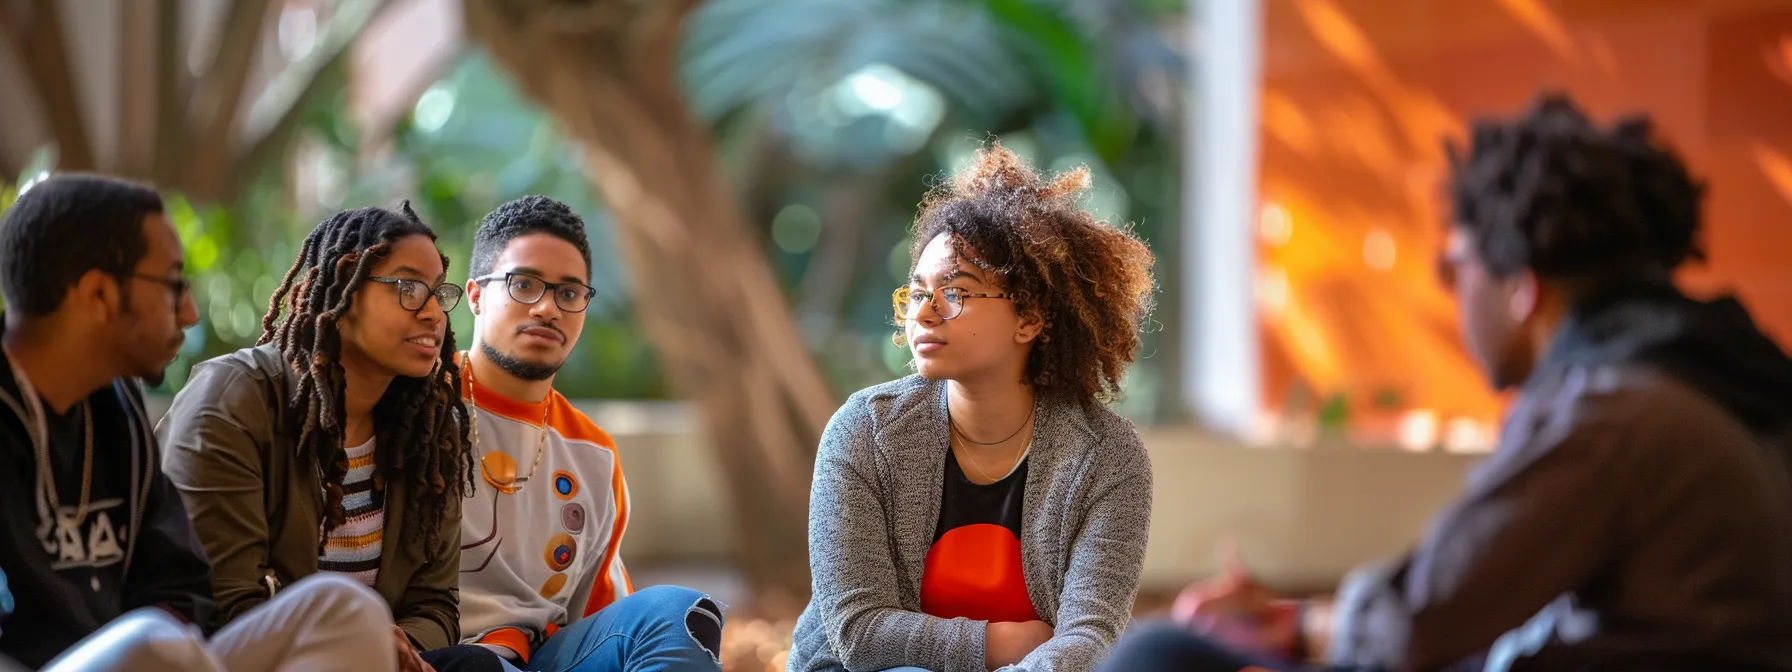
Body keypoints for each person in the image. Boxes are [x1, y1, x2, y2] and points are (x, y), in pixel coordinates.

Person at [1099, 95, 1792, 671]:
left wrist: (1297, 626)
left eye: (1455, 266)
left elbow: (1417, 626)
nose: (1452, 291)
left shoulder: (1613, 414)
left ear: (1523, 289)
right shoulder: (1713, 376)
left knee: (1157, 656)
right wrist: (1308, 622)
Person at [0, 174, 401, 672]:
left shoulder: (115, 404)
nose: (189, 312)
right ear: (99, 294)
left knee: (343, 608)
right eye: (172, 284)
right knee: (150, 643)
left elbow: (180, 585)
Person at [786, 143, 1158, 672]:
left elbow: (1091, 635)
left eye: (956, 292)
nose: (926, 312)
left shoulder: (1107, 456)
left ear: (1029, 320)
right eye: (917, 294)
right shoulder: (865, 431)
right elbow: (859, 631)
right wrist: (1000, 645)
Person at [158, 203, 506, 672]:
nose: (433, 315)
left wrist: (393, 650)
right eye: (408, 289)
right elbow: (219, 604)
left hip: (380, 661)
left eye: (437, 294)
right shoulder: (234, 400)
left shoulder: (428, 429)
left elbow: (436, 605)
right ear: (343, 293)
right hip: (244, 659)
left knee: (475, 666)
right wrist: (357, 636)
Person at [454, 195, 724, 671]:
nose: (547, 308)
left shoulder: (592, 452)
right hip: (430, 657)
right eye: (525, 284)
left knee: (676, 615)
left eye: (569, 293)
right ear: (475, 295)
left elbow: (604, 618)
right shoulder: (413, 404)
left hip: (545, 660)